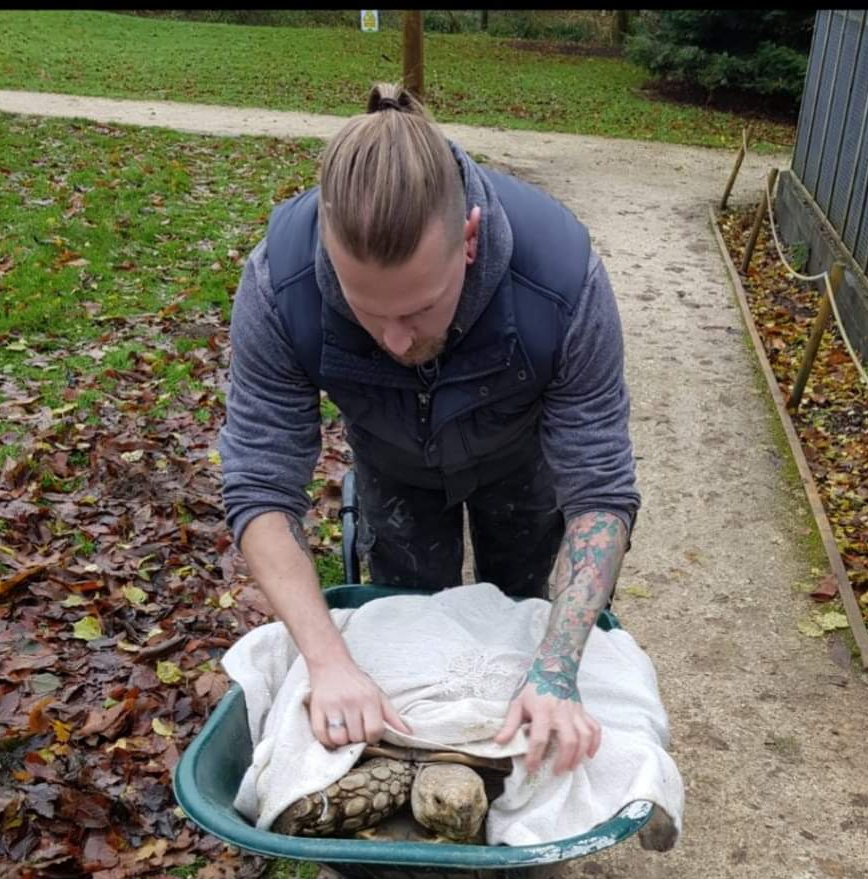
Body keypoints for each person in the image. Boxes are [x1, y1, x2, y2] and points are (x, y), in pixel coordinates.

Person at [218, 82, 639, 777]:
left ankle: (525, 839)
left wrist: (556, 669)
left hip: (523, 465)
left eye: (417, 307)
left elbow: (599, 489)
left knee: (532, 652)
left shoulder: (562, 280)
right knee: (409, 648)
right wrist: (326, 661)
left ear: (468, 240)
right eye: (364, 309)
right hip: (393, 468)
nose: (390, 336)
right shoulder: (280, 283)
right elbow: (259, 485)